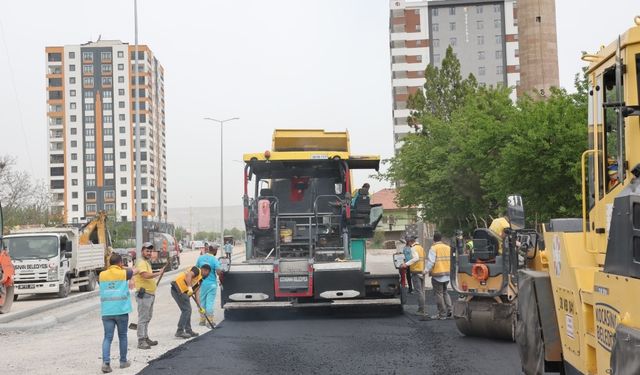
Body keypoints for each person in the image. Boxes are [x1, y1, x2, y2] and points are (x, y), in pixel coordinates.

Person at [99, 253, 137, 373]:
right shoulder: (124, 273)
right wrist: (123, 268)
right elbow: (136, 270)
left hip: (107, 312)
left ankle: (106, 363)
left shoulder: (101, 275)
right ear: (120, 263)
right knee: (122, 336)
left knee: (107, 337)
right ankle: (123, 361)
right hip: (121, 310)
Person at [133, 242, 165, 349]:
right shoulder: (141, 262)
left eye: (151, 251)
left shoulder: (146, 262)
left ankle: (145, 337)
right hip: (144, 294)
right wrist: (158, 273)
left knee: (147, 317)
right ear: (142, 251)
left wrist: (156, 272)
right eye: (147, 251)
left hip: (149, 294)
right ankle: (141, 340)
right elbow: (145, 275)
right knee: (143, 318)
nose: (149, 253)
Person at [171, 264, 211, 338]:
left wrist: (200, 307)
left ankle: (188, 330)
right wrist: (189, 287)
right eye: (208, 273)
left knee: (187, 310)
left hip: (184, 293)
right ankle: (180, 331)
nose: (208, 275)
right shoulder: (197, 270)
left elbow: (197, 294)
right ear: (205, 270)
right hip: (178, 289)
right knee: (187, 310)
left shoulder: (200, 280)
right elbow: (188, 276)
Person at [422, 232, 453, 321]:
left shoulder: (434, 248)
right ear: (441, 238)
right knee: (445, 292)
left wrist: (425, 271)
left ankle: (442, 314)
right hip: (447, 274)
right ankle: (450, 311)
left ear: (433, 239)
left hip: (438, 275)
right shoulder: (447, 247)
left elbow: (431, 262)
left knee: (439, 293)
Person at [195, 245, 223, 328]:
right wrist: (221, 271)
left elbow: (196, 269)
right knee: (209, 302)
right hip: (211, 284)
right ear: (214, 251)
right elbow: (218, 272)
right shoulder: (214, 259)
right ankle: (210, 320)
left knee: (202, 301)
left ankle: (202, 320)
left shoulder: (200, 258)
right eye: (216, 250)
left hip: (202, 284)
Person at [400, 235, 426, 316]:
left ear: (411, 242)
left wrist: (406, 264)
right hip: (422, 270)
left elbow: (416, 258)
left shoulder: (413, 248)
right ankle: (423, 308)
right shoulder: (421, 247)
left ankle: (421, 310)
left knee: (419, 292)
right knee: (422, 291)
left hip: (416, 271)